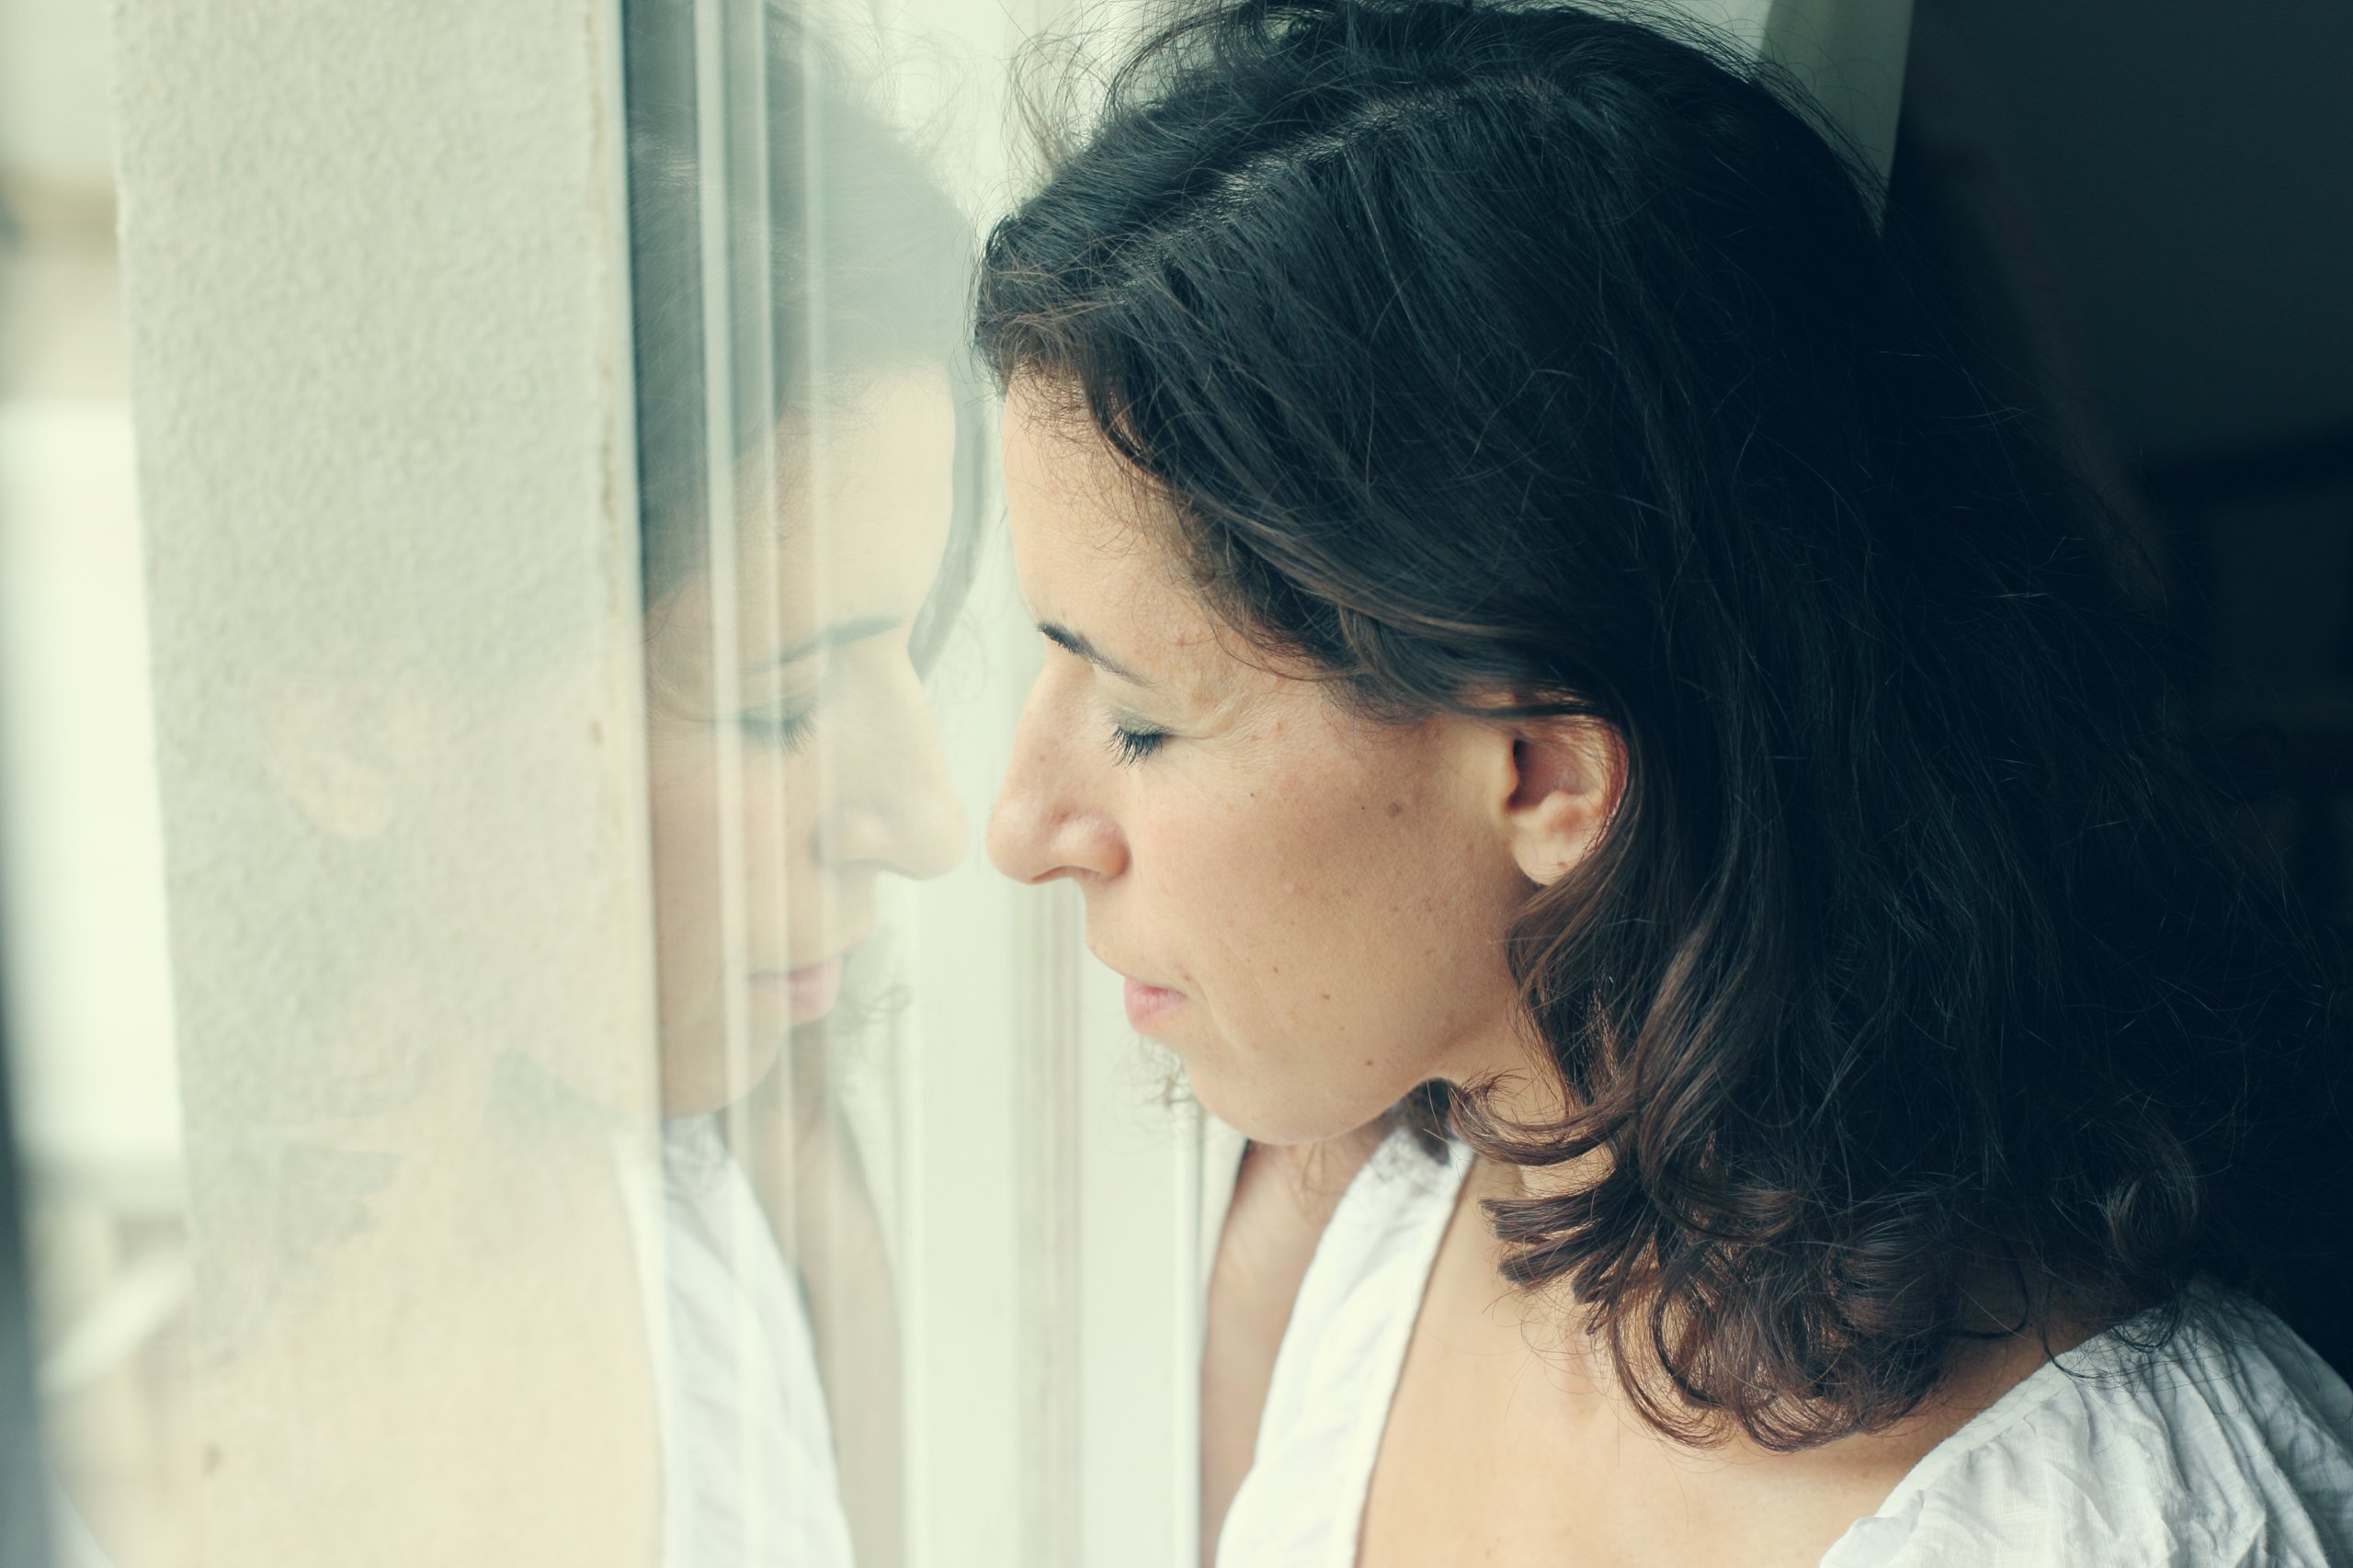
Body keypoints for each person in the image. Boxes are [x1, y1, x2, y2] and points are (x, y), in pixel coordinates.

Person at [974, 1, 2353, 1563]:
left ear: (1548, 775)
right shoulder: (1398, 1207)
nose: (1023, 825)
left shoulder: (2130, 1527)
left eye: (1142, 718)